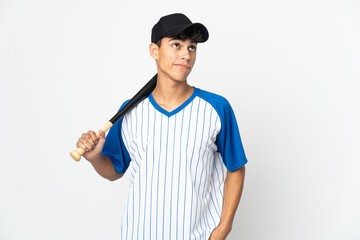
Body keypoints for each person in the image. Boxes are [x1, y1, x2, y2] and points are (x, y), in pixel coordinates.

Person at [76, 13, 247, 240]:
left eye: (192, 47)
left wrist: (223, 228)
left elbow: (236, 167)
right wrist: (95, 157)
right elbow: (114, 171)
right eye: (176, 45)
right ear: (154, 51)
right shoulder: (129, 111)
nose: (186, 55)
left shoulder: (216, 107)